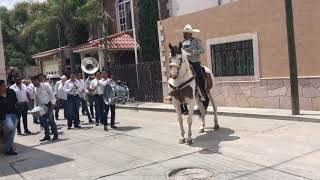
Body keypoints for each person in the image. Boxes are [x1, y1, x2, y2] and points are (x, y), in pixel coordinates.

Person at [31, 76, 58, 141]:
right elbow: (36, 99)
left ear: (37, 80)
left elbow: (51, 94)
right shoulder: (35, 89)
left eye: (34, 82)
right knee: (44, 122)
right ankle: (47, 135)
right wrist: (35, 107)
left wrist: (53, 103)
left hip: (48, 105)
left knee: (50, 121)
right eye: (32, 82)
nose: (33, 83)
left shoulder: (45, 86)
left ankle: (55, 134)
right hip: (41, 107)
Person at [0, 80, 19, 155]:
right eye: (2, 86)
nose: (4, 87)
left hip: (14, 113)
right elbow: (4, 106)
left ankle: (9, 149)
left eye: (5, 85)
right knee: (10, 127)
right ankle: (9, 147)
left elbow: (12, 101)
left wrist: (4, 102)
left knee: (13, 131)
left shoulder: (10, 91)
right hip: (5, 115)